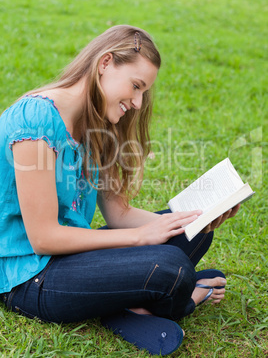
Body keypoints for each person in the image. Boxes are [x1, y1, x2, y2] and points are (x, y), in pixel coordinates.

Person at [0, 25, 239, 356]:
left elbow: (119, 215)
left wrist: (197, 216)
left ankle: (119, 301)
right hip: (30, 278)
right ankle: (180, 302)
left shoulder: (97, 125)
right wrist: (141, 238)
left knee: (195, 235)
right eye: (136, 86)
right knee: (170, 265)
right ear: (105, 63)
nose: (139, 103)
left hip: (72, 258)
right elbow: (43, 238)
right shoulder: (35, 121)